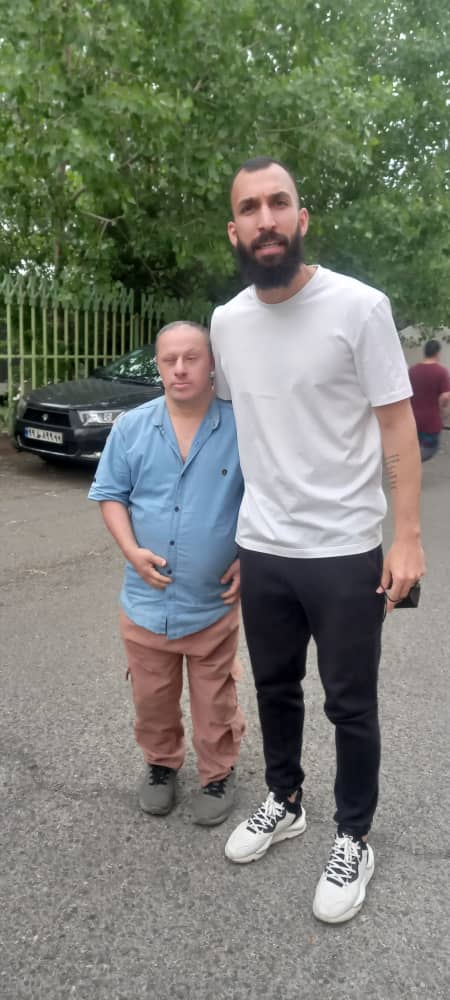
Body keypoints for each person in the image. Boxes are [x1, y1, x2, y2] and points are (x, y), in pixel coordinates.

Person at [210, 156, 425, 923]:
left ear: (301, 219)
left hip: (343, 549)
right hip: (264, 547)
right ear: (234, 230)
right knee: (274, 688)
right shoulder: (227, 322)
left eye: (279, 202)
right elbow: (242, 432)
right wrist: (227, 537)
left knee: (350, 704)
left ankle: (354, 836)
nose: (265, 218)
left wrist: (406, 537)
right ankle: (285, 799)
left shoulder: (359, 307)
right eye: (250, 207)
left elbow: (397, 424)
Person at [88, 321, 245, 826]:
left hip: (212, 604)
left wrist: (249, 557)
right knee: (151, 696)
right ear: (158, 365)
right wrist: (131, 550)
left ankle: (218, 773)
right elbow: (110, 494)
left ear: (212, 363)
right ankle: (161, 766)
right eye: (168, 360)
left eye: (191, 358)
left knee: (214, 697)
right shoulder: (131, 427)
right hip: (145, 602)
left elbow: (266, 499)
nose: (179, 369)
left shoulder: (242, 427)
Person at [409, 339, 450, 461]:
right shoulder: (441, 371)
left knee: (414, 448)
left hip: (413, 419)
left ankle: (411, 465)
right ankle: (412, 466)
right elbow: (445, 396)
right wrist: (442, 407)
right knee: (429, 449)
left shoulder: (412, 370)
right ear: (438, 353)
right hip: (431, 422)